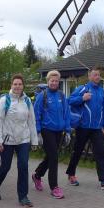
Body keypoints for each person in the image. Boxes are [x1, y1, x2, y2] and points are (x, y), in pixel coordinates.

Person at [65, 67, 104, 189]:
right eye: (95, 75)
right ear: (89, 76)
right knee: (77, 151)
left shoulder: (102, 91)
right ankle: (71, 174)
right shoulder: (83, 88)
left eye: (98, 75)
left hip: (97, 128)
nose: (97, 77)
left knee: (100, 152)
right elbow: (69, 101)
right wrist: (82, 98)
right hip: (82, 127)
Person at [0, 74, 38, 207]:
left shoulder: (27, 101)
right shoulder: (4, 100)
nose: (17, 86)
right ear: (11, 85)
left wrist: (34, 140)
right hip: (7, 139)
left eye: (20, 84)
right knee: (5, 167)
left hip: (23, 139)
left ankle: (23, 196)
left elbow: (31, 121)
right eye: (15, 84)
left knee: (23, 166)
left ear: (23, 86)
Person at [32, 70, 72, 199]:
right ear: (48, 81)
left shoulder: (61, 95)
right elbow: (36, 115)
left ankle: (37, 175)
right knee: (54, 157)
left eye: (56, 81)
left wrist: (68, 131)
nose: (54, 83)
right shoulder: (42, 96)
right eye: (52, 80)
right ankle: (54, 187)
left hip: (59, 131)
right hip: (46, 130)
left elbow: (66, 113)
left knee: (50, 156)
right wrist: (38, 132)